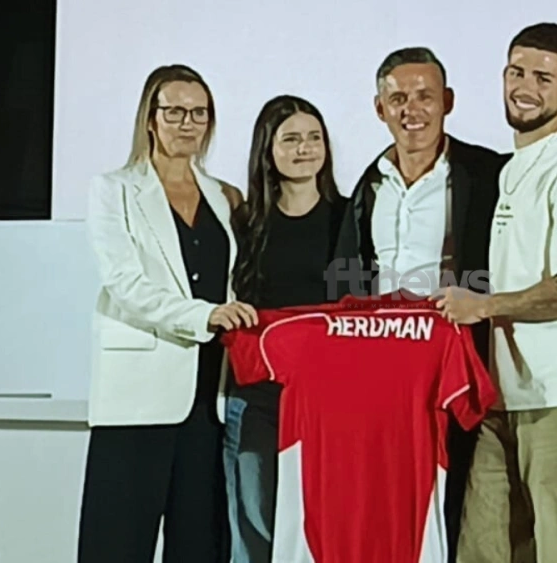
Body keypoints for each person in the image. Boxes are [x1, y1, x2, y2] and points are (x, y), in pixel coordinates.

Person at [435, 23, 557, 563]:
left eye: (543, 78)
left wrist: (482, 306)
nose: (525, 88)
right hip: (504, 397)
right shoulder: (511, 169)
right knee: (482, 548)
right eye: (516, 72)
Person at [331, 46, 509, 561]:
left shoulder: (488, 173)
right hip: (383, 378)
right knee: (392, 507)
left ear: (447, 101)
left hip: (460, 372)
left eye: (425, 96)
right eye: (398, 99)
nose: (412, 110)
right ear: (379, 108)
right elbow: (348, 281)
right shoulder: (368, 185)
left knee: (460, 509)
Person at [79, 63, 255, 563]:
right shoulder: (113, 189)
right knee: (116, 545)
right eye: (174, 111)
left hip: (209, 398)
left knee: (200, 546)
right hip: (136, 396)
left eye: (199, 113)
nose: (187, 122)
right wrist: (205, 316)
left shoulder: (225, 197)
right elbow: (125, 283)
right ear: (150, 118)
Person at [225, 94, 349, 563]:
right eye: (291, 139)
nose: (305, 148)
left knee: (325, 529)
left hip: (329, 399)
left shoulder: (349, 218)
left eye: (314, 138)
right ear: (268, 149)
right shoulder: (245, 223)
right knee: (256, 527)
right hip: (257, 398)